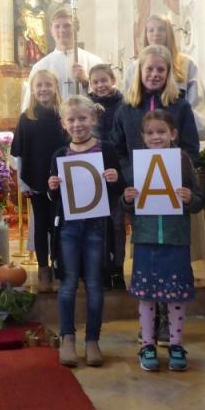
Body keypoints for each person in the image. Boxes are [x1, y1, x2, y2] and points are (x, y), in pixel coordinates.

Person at [112, 44, 201, 345]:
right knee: (148, 256)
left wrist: (181, 173)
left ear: (169, 73)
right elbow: (117, 148)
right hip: (141, 192)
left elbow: (191, 147)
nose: (154, 74)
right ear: (139, 71)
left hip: (172, 194)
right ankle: (153, 321)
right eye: (149, 69)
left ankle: (167, 322)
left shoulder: (180, 106)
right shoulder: (126, 108)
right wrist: (131, 176)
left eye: (160, 69)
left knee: (171, 258)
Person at [122, 110, 204, 372]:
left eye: (161, 131)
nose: (156, 137)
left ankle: (176, 343)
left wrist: (190, 198)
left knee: (175, 293)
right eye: (150, 133)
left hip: (175, 238)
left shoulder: (182, 161)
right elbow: (126, 202)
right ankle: (147, 344)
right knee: (146, 295)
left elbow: (199, 200)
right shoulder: (137, 164)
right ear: (143, 137)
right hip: (145, 238)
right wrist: (127, 198)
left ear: (173, 134)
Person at [47, 96, 123, 367]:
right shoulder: (60, 155)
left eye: (82, 118)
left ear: (93, 119)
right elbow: (54, 198)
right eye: (71, 119)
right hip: (69, 226)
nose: (77, 124)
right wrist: (52, 187)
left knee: (94, 283)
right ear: (63, 123)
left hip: (97, 225)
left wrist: (115, 179)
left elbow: (118, 189)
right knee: (68, 284)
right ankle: (68, 338)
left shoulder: (106, 150)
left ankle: (92, 340)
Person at [10, 70, 69, 293]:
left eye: (48, 85)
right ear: (33, 90)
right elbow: (19, 153)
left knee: (60, 225)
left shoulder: (64, 116)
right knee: (42, 225)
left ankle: (60, 266)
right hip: (36, 178)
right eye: (39, 86)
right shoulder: (27, 118)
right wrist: (24, 183)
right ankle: (44, 269)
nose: (44, 89)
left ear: (55, 87)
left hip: (62, 180)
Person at [124, 15, 205, 141]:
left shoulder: (186, 64)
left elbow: (195, 101)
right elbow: (129, 102)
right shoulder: (134, 68)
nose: (156, 34)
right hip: (142, 134)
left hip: (177, 133)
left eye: (161, 29)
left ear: (169, 33)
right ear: (145, 35)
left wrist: (192, 133)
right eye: (151, 30)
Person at [88, 63, 127, 289]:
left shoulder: (124, 104)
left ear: (113, 80)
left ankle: (118, 268)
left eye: (104, 80)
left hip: (116, 168)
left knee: (117, 222)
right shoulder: (86, 105)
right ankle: (100, 268)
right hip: (92, 170)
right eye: (95, 81)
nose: (100, 85)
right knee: (97, 224)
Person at [24, 9, 103, 107]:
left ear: (76, 28)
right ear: (51, 31)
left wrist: (86, 81)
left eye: (67, 26)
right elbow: (29, 104)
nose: (62, 30)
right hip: (52, 116)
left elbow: (107, 99)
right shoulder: (40, 67)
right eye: (57, 26)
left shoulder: (94, 62)